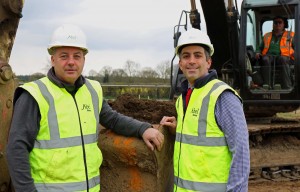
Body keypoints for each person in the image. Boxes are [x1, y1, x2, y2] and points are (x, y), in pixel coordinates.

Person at [6, 24, 164, 192]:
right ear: (53, 59)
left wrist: (142, 129)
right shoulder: (35, 95)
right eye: (64, 56)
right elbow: (16, 149)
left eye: (77, 56)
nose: (71, 62)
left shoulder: (92, 90)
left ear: (84, 59)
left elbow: (112, 119)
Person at [160, 28, 250, 192]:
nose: (191, 61)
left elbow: (241, 153)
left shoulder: (222, 97)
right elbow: (200, 136)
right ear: (180, 64)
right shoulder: (183, 99)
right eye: (186, 56)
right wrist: (179, 127)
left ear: (208, 62)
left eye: (198, 55)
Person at [255, 16, 294, 89]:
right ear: (273, 24)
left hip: (285, 57)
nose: (277, 24)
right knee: (265, 59)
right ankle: (267, 86)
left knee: (283, 59)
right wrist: (257, 52)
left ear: (284, 24)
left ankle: (287, 86)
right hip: (270, 56)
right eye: (275, 22)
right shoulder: (267, 35)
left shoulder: (291, 35)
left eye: (280, 22)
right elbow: (259, 47)